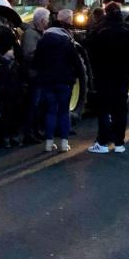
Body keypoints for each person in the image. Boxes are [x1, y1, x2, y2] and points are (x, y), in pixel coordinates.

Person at [86, 2, 129, 154]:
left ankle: (102, 142)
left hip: (104, 75)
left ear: (106, 12)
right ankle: (119, 143)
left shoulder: (99, 29)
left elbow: (91, 52)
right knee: (120, 108)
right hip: (123, 76)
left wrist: (96, 71)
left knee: (104, 108)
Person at [32, 11, 84, 153]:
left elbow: (36, 61)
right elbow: (76, 62)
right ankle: (64, 144)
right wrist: (76, 76)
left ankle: (49, 143)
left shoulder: (43, 40)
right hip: (64, 82)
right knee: (63, 111)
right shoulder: (67, 41)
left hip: (47, 82)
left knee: (50, 111)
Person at [20, 7, 50, 144]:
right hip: (34, 75)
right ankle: (29, 133)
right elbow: (29, 55)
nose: (48, 22)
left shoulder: (38, 33)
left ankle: (37, 130)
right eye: (47, 19)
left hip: (39, 74)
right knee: (33, 104)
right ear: (42, 20)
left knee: (39, 104)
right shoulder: (31, 35)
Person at [0, 27, 23, 147]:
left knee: (13, 115)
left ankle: (12, 136)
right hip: (6, 94)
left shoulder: (11, 64)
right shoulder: (2, 64)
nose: (13, 52)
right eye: (12, 50)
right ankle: (8, 137)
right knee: (7, 116)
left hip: (12, 94)